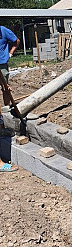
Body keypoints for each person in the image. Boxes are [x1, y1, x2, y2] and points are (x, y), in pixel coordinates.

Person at [0, 25, 20, 172]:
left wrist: (4, 86)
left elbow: (16, 41)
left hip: (2, 65)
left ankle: (4, 115)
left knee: (5, 90)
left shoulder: (3, 30)